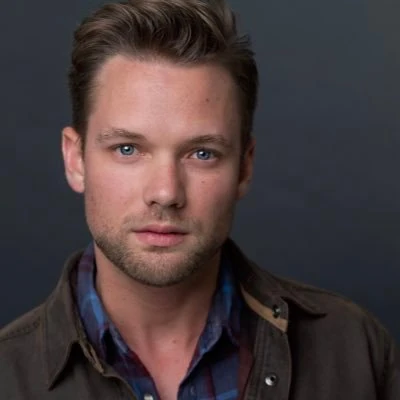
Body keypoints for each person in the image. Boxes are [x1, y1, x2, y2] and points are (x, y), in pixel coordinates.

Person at [1, 0, 399, 399]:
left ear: (244, 167)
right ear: (75, 160)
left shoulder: (354, 350)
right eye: (127, 149)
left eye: (202, 153)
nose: (166, 193)